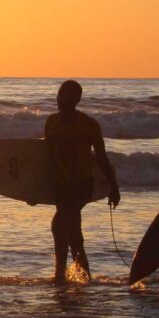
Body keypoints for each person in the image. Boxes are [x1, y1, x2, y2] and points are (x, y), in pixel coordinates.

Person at [37, 80, 120, 285]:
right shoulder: (51, 122)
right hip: (61, 186)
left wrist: (113, 187)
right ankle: (66, 275)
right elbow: (45, 158)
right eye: (58, 95)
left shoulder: (89, 125)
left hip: (81, 184)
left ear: (75, 99)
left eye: (63, 96)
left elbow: (101, 157)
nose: (58, 99)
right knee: (63, 228)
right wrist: (34, 191)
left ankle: (77, 277)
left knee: (65, 227)